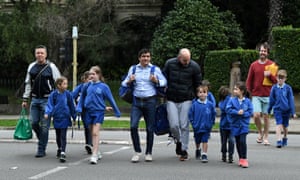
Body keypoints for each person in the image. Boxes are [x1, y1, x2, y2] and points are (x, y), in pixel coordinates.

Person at [121, 48, 167, 163]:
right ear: (139, 58)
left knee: (150, 128)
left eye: (147, 56)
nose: (146, 58)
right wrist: (129, 81)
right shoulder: (133, 69)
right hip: (137, 101)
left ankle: (148, 152)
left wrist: (156, 81)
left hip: (150, 101)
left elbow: (164, 81)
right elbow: (123, 82)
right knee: (133, 126)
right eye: (143, 56)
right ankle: (137, 151)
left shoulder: (154, 69)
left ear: (150, 58)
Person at [22, 45, 61, 158]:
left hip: (47, 100)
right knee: (33, 123)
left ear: (46, 54)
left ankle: (41, 148)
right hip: (35, 99)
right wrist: (25, 98)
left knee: (44, 126)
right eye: (38, 53)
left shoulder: (51, 67)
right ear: (35, 54)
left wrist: (58, 98)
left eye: (42, 53)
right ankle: (43, 139)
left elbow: (58, 82)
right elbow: (28, 83)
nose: (39, 55)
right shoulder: (31, 67)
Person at [76, 65, 121, 164]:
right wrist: (79, 107)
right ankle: (97, 150)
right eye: (90, 74)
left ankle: (94, 154)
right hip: (88, 111)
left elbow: (111, 99)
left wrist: (116, 111)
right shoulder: (86, 85)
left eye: (93, 74)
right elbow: (82, 97)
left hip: (98, 112)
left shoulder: (104, 87)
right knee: (92, 132)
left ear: (98, 75)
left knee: (96, 132)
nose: (91, 76)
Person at [163, 48, 202, 161]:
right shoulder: (170, 64)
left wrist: (196, 97)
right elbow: (163, 78)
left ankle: (184, 149)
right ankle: (179, 141)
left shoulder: (194, 67)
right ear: (179, 58)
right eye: (185, 60)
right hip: (171, 98)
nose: (187, 62)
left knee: (184, 125)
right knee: (174, 125)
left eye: (188, 60)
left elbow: (198, 83)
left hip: (187, 98)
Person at [246, 42, 278, 145]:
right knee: (256, 115)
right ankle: (260, 132)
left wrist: (270, 75)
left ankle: (266, 137)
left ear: (267, 53)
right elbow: (249, 80)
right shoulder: (253, 65)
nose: (262, 52)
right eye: (261, 50)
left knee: (266, 116)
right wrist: (249, 91)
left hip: (268, 95)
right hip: (256, 95)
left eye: (264, 51)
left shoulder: (272, 65)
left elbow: (276, 81)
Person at [44, 76, 76, 163]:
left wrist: (74, 117)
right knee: (58, 136)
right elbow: (49, 105)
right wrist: (47, 113)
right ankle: (59, 148)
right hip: (57, 118)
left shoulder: (68, 94)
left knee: (63, 135)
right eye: (64, 84)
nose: (66, 85)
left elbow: (72, 106)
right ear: (59, 85)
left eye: (66, 83)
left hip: (65, 118)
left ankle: (63, 152)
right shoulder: (53, 95)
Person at [226, 81, 253, 168]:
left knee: (242, 141)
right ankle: (240, 158)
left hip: (244, 125)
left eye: (236, 89)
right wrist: (237, 112)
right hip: (235, 125)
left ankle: (244, 158)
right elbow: (228, 110)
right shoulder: (232, 100)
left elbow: (250, 111)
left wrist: (244, 113)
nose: (234, 91)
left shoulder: (248, 101)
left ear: (242, 91)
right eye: (234, 89)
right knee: (237, 142)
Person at [267, 69, 297, 148]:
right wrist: (269, 110)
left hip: (286, 110)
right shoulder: (274, 88)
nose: (280, 79)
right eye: (279, 77)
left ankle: (285, 137)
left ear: (285, 79)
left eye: (282, 78)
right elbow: (271, 100)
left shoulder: (288, 88)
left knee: (285, 126)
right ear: (276, 78)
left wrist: (293, 112)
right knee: (278, 124)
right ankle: (279, 140)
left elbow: (291, 100)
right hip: (277, 109)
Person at [188, 85, 216, 163]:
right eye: (200, 92)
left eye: (204, 92)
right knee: (197, 140)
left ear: (207, 94)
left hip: (206, 126)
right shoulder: (194, 105)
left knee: (205, 140)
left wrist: (211, 122)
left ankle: (204, 154)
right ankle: (198, 149)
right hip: (197, 126)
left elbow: (213, 114)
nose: (202, 94)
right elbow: (190, 114)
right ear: (197, 94)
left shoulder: (210, 105)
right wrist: (193, 123)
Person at [72, 71, 93, 154]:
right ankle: (89, 144)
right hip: (84, 110)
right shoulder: (80, 87)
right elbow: (72, 96)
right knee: (87, 126)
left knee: (93, 127)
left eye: (92, 79)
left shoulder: (95, 87)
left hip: (93, 109)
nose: (91, 81)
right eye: (89, 79)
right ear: (84, 79)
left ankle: (91, 143)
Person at [218, 86, 234, 163]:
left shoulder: (230, 100)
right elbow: (225, 108)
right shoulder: (221, 102)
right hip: (224, 125)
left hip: (231, 125)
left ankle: (230, 155)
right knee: (224, 142)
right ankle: (224, 154)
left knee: (231, 141)